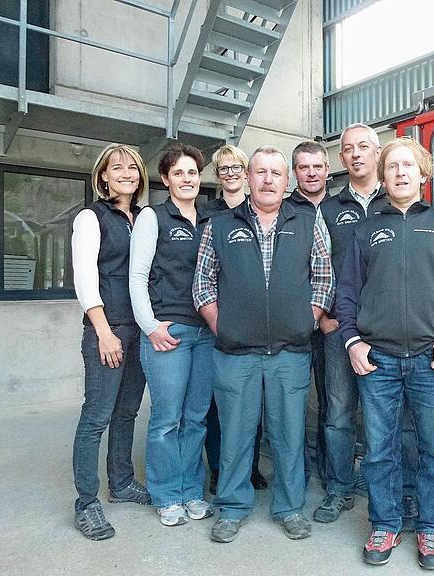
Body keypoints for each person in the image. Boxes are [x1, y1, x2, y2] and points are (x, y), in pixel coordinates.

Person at [336, 138, 434, 570]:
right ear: (382, 177)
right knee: (379, 450)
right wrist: (353, 341)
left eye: (408, 166)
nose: (400, 173)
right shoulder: (365, 231)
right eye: (392, 167)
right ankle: (385, 523)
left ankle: (432, 527)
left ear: (424, 175)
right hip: (377, 361)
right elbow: (347, 295)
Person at [193, 145, 334, 543]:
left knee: (289, 434)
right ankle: (232, 507)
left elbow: (324, 277)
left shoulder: (308, 222)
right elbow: (202, 282)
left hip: (290, 352)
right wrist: (223, 326)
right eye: (260, 172)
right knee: (236, 434)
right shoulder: (220, 225)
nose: (268, 180)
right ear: (248, 177)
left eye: (275, 173)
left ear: (286, 181)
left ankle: (290, 507)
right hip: (235, 353)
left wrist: (306, 320)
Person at [315, 123, 419, 527]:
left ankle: (406, 493)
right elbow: (316, 267)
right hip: (341, 329)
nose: (356, 154)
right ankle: (339, 488)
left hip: (390, 334)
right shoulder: (328, 210)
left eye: (363, 147)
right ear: (341, 158)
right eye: (348, 148)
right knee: (338, 413)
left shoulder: (399, 202)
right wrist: (325, 317)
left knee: (400, 419)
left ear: (378, 153)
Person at [128, 144, 215, 527]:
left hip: (206, 333)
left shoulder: (210, 219)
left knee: (196, 417)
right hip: (169, 332)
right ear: (166, 179)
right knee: (167, 419)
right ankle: (166, 495)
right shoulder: (153, 217)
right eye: (178, 173)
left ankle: (192, 491)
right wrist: (150, 326)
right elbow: (137, 276)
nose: (187, 179)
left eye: (192, 172)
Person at [71, 143, 151, 541]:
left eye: (132, 167)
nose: (126, 173)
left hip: (141, 330)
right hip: (109, 328)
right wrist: (103, 331)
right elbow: (85, 277)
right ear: (103, 176)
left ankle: (121, 484)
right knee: (96, 416)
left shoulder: (143, 218)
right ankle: (86, 503)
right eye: (117, 168)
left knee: (127, 413)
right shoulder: (92, 217)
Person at [203, 144, 268, 494]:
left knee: (252, 403)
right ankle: (218, 467)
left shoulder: (259, 209)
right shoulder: (207, 215)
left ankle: (251, 466)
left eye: (236, 167)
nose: (230, 173)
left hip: (254, 326)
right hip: (215, 322)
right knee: (218, 403)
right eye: (223, 168)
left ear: (246, 173)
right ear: (218, 175)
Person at [284, 140, 332, 487]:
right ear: (294, 172)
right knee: (293, 407)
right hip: (292, 326)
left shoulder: (341, 207)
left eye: (317, 166)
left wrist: (327, 315)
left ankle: (331, 477)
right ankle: (296, 475)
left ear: (328, 170)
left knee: (333, 405)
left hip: (333, 324)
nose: (311, 173)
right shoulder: (282, 209)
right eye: (304, 167)